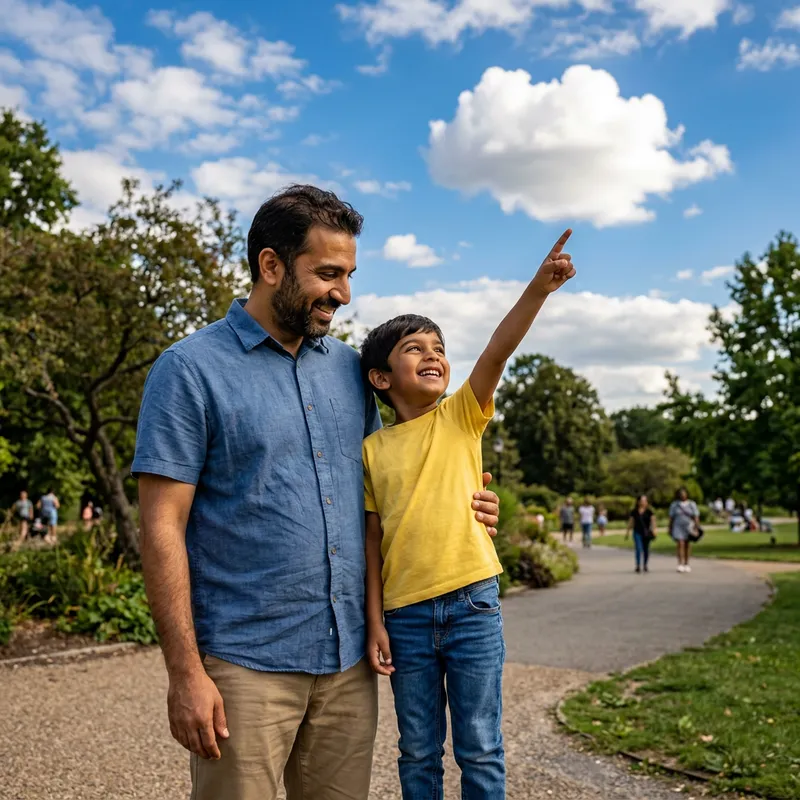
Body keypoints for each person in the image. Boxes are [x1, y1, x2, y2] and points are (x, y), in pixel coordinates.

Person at [132, 185, 500, 800]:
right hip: (244, 665)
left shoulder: (352, 371)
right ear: (270, 265)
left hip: (347, 666)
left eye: (350, 274)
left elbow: (390, 492)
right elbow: (161, 526)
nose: (343, 293)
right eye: (327, 273)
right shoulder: (189, 370)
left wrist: (468, 504)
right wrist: (184, 672)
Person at [361, 230, 576, 798]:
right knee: (417, 752)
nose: (432, 354)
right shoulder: (371, 450)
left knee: (480, 746)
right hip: (404, 619)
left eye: (437, 347)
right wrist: (376, 620)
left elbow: (497, 350)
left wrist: (538, 289)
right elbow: (372, 537)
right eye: (414, 348)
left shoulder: (461, 416)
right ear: (381, 378)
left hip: (472, 603)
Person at [669, 487, 699, 573]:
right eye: (681, 494)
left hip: (689, 526)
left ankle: (687, 563)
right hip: (678, 526)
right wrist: (670, 527)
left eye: (684, 493)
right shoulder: (674, 505)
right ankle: (680, 564)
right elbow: (671, 517)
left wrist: (696, 527)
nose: (682, 495)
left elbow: (696, 516)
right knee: (680, 543)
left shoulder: (691, 504)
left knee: (687, 544)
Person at [625, 495, 656, 573]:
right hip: (637, 532)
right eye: (642, 501)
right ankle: (638, 565)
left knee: (646, 549)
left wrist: (654, 530)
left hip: (646, 533)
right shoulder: (634, 511)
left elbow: (653, 521)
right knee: (638, 548)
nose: (644, 502)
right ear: (638, 502)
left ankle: (645, 565)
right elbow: (631, 521)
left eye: (645, 501)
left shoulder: (649, 511)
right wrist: (627, 532)